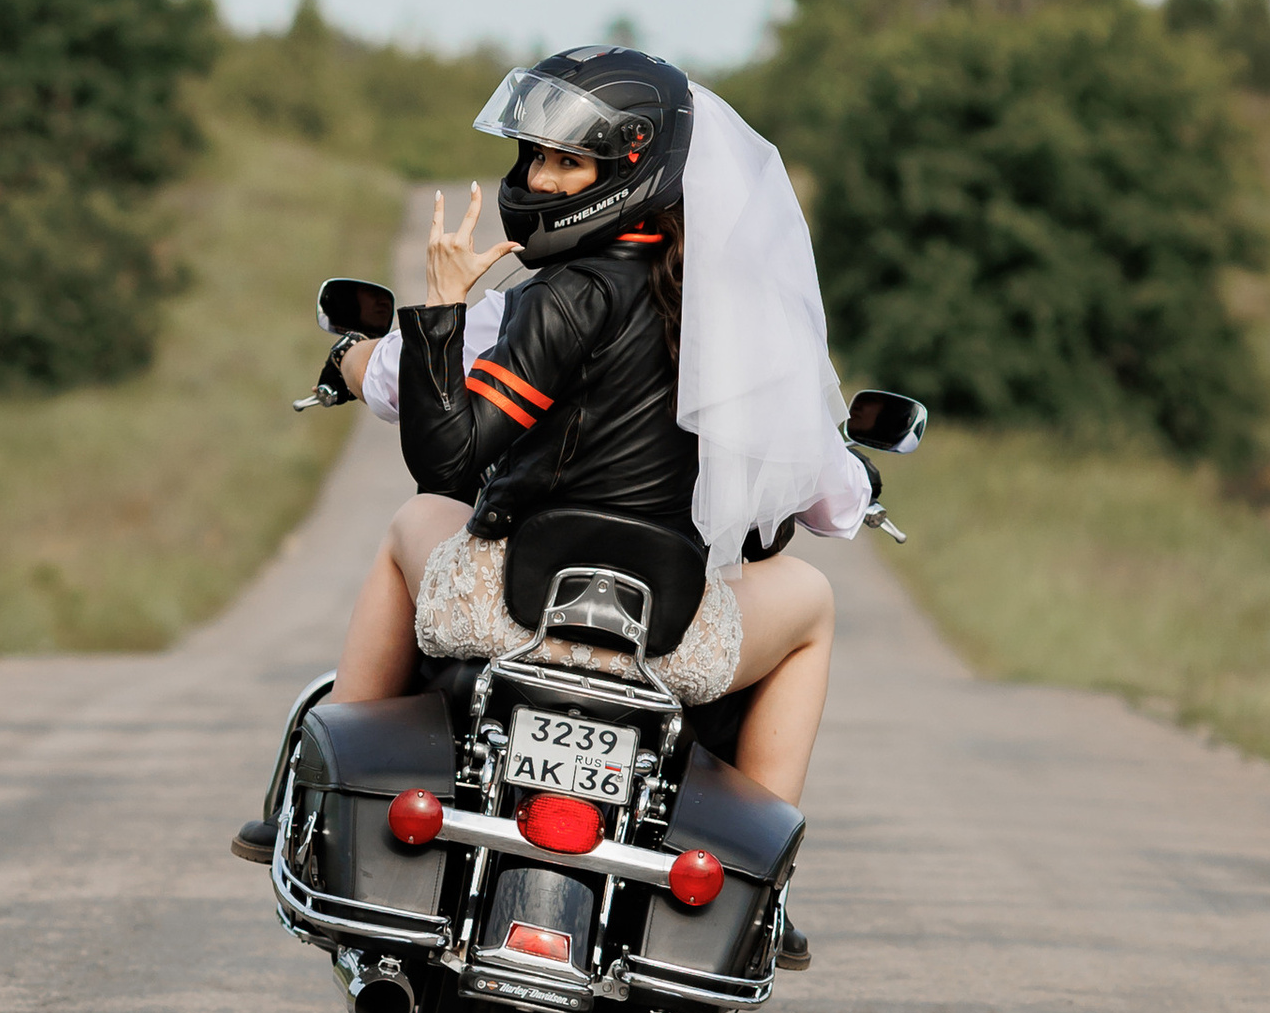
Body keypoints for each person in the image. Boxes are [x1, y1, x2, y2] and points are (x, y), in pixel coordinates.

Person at [329, 47, 869, 811]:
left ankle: (329, 780)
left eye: (567, 163)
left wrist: (443, 307)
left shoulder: (560, 295)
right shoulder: (747, 328)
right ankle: (762, 861)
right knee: (810, 600)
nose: (540, 180)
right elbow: (833, 497)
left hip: (517, 611)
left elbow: (442, 457)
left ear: (629, 170)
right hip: (667, 639)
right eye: (538, 157)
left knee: (410, 521)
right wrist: (856, 479)